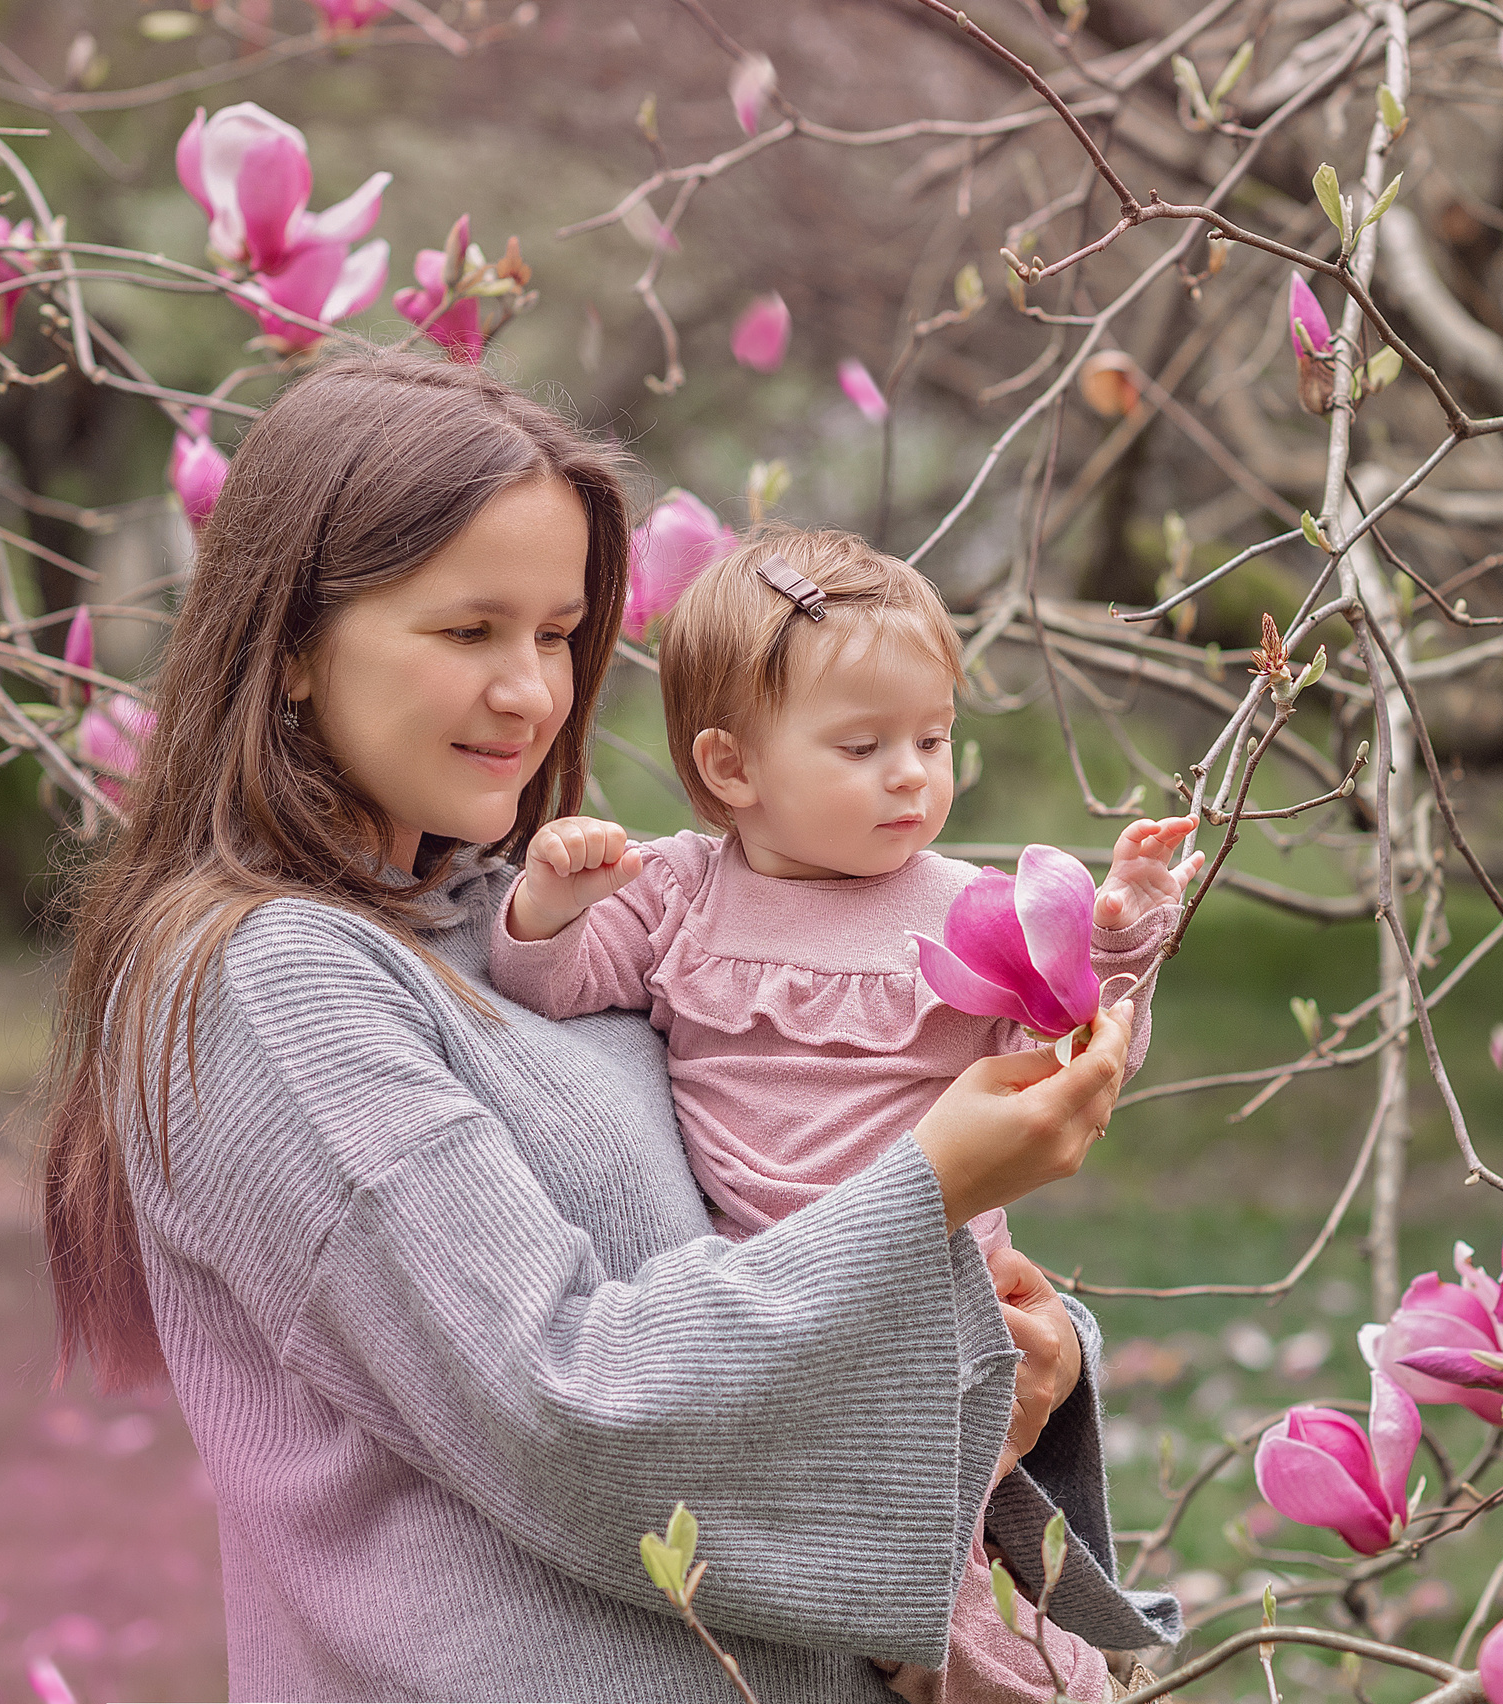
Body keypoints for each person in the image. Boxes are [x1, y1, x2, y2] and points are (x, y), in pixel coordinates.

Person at [37, 350, 1180, 1702]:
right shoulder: (270, 985)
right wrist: (933, 1184)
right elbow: (568, 1404)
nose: (531, 690)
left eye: (559, 632)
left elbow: (743, 1252)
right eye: (467, 632)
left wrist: (1014, 1364)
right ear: (288, 647)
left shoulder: (518, 916)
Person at [489, 527, 1202, 1701]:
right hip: (767, 1312)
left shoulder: (975, 908)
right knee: (900, 1575)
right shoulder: (677, 893)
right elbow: (547, 985)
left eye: (932, 738)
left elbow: (1079, 1052)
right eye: (863, 746)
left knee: (952, 1594)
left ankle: (1052, 1677)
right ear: (731, 768)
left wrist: (1117, 933)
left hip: (936, 1305)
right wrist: (551, 897)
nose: (914, 773)